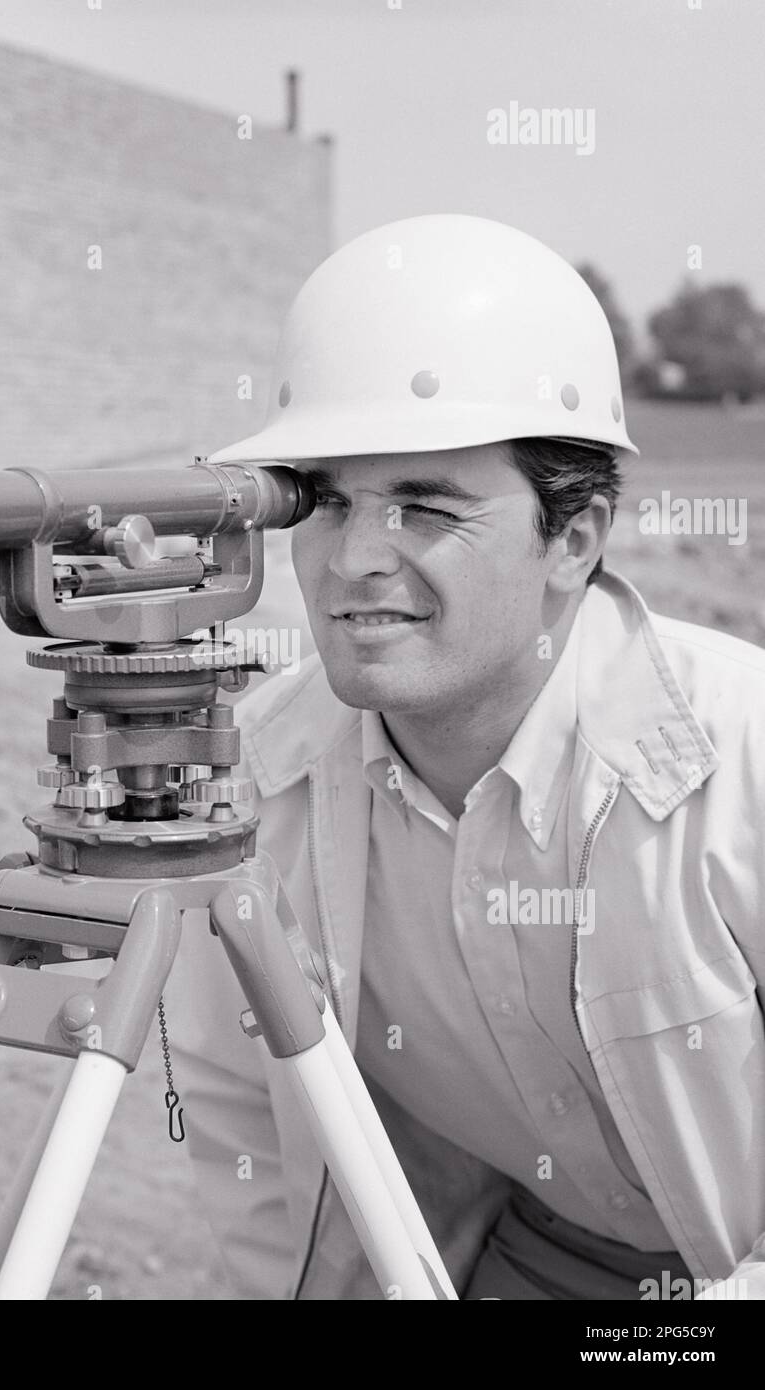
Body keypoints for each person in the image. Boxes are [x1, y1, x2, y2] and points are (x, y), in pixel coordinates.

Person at [165, 214, 765, 1300]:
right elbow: (241, 1117)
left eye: (424, 508)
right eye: (330, 501)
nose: (352, 560)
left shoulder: (742, 757)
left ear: (570, 539)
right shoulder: (257, 783)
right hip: (529, 1256)